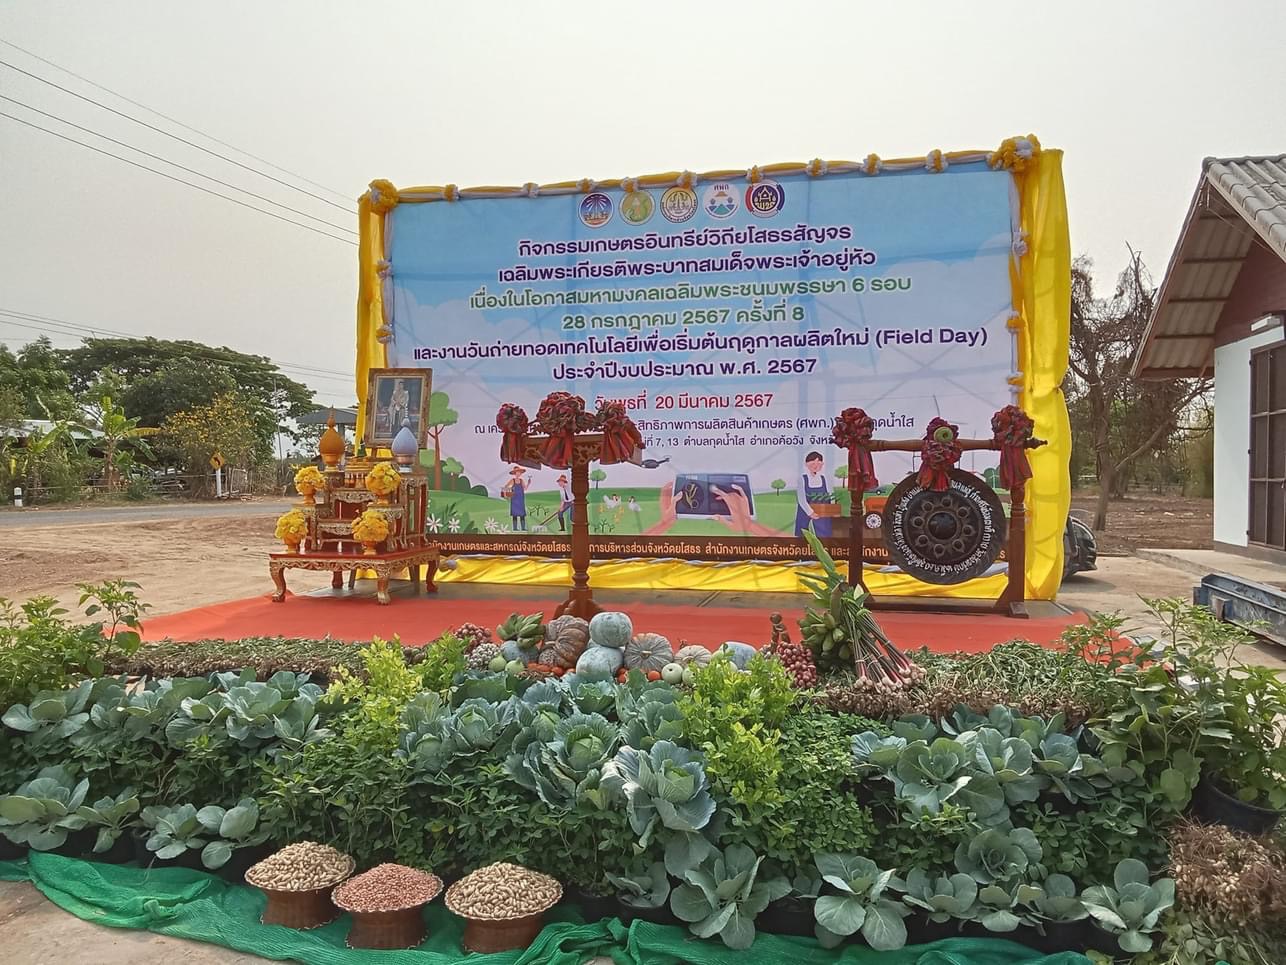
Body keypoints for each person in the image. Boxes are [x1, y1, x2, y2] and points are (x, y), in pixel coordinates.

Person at [794, 451, 833, 538]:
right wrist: (810, 513)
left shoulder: (825, 478)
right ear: (806, 464)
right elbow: (801, 499)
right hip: (805, 515)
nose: (815, 466)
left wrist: (830, 510)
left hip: (822, 516)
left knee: (823, 540)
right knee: (804, 539)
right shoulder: (802, 479)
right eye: (812, 463)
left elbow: (831, 497)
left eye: (818, 463)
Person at [501, 466, 529, 531]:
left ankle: (523, 528)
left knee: (522, 514)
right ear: (514, 473)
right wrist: (505, 494)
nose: (518, 473)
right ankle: (515, 528)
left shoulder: (521, 480)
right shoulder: (512, 480)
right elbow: (506, 486)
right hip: (514, 499)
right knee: (515, 514)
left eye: (519, 472)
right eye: (517, 472)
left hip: (521, 499)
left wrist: (528, 483)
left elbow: (525, 488)